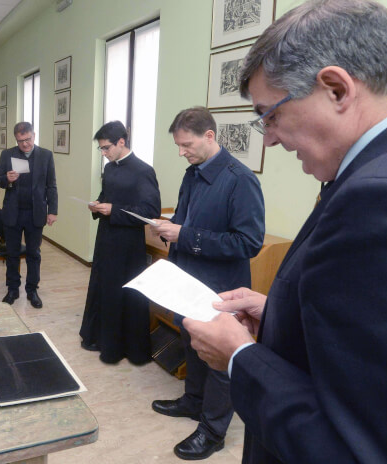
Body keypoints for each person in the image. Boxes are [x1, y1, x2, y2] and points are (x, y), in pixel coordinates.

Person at [179, 2, 387, 463]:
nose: (270, 138)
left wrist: (240, 357)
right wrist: (281, 314)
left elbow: (365, 444)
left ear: (336, 89)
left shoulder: (386, 197)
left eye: (270, 115)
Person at [149, 107, 265, 460]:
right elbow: (185, 221)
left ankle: (213, 432)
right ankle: (193, 401)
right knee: (192, 343)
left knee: (217, 359)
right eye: (178, 145)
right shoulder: (192, 174)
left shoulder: (240, 179)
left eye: (186, 145)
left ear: (209, 136)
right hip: (186, 279)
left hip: (220, 288)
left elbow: (249, 243)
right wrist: (168, 226)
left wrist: (185, 235)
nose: (181, 152)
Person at [79, 121, 161, 365]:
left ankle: (123, 348)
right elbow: (106, 197)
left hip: (127, 244)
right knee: (103, 287)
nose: (103, 153)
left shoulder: (143, 171)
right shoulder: (110, 168)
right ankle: (100, 339)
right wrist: (97, 204)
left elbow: (150, 211)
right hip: (106, 237)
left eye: (106, 148)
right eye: (101, 149)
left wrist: (114, 210)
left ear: (121, 142)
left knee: (122, 292)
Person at [0, 122, 58, 308]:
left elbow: (51, 185)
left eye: (28, 139)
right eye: (20, 141)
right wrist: (7, 179)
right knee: (12, 253)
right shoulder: (7, 154)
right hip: (13, 212)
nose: (25, 144)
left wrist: (53, 211)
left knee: (33, 253)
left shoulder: (46, 155)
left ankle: (32, 290)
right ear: (16, 139)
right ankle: (13, 289)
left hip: (35, 212)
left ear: (34, 135)